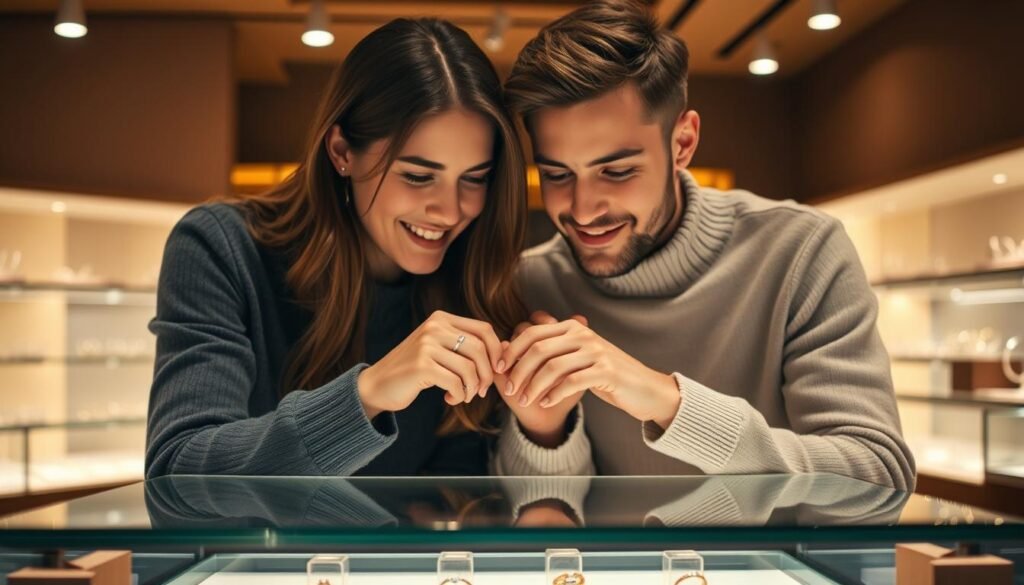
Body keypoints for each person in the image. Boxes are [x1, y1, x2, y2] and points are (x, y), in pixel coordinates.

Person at [493, 0, 915, 490]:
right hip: (598, 570)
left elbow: (879, 481)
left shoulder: (800, 250)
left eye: (618, 170)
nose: (583, 210)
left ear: (683, 143)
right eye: (557, 174)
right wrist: (544, 433)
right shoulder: (528, 281)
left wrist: (661, 398)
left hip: (767, 570)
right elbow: (540, 520)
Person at [145, 17, 526, 478]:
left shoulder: (474, 277)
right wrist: (369, 392)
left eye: (474, 179)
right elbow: (178, 469)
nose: (449, 211)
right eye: (418, 176)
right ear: (342, 151)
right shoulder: (220, 247)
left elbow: (455, 497)